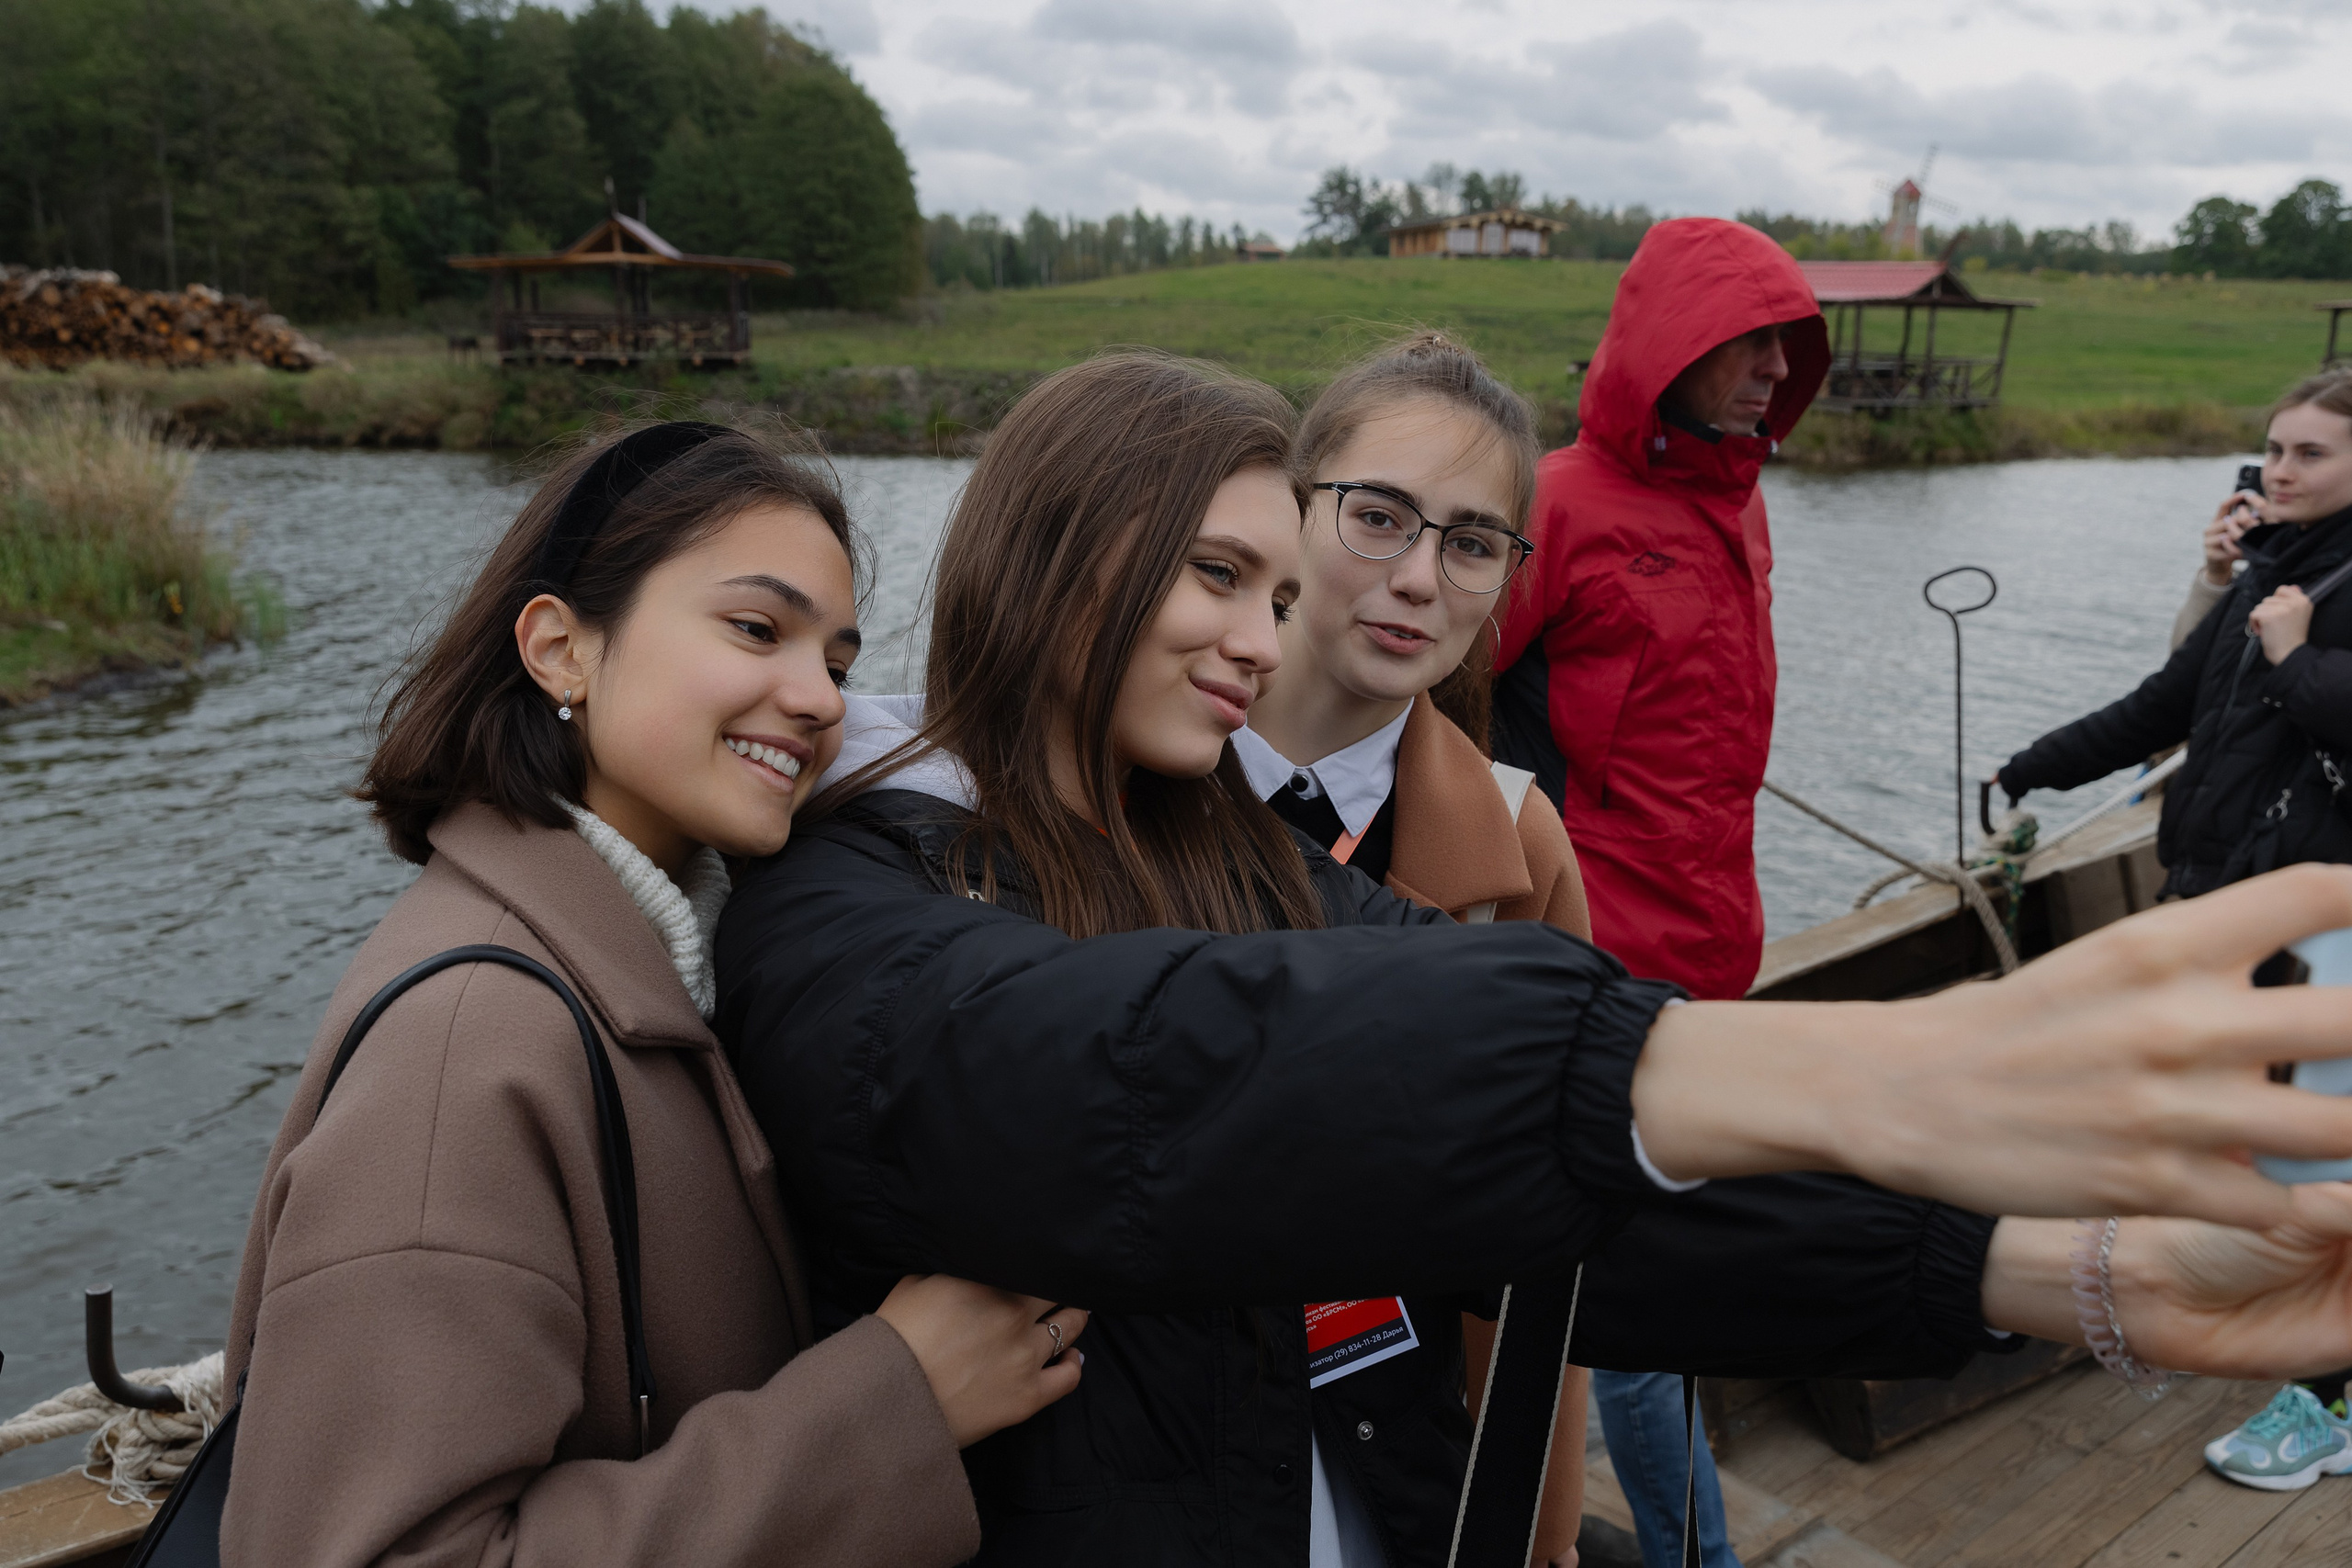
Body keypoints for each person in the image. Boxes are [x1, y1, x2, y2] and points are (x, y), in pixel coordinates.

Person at [717, 353, 2352, 1568]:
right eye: (1218, 574)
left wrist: (2074, 1274)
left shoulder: (1234, 858)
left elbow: (1538, 1180)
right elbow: (1147, 1064)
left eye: (1276, 591)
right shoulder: (844, 890)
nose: (1259, 637)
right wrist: (1895, 1065)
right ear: (1052, 551)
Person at [220, 422, 1087, 1566]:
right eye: (755, 629)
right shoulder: (470, 1049)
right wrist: (896, 1399)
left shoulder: (663, 962)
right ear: (558, 649)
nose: (822, 699)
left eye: (835, 659)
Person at [1487, 215, 1832, 1566]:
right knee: (1636, 1298)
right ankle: (1701, 1556)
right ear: (1663, 350)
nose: (1769, 370)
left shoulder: (1737, 504)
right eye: (1742, 342)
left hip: (1714, 954)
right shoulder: (1556, 502)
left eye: (1785, 347)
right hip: (1600, 962)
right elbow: (1449, 707)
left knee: (1665, 1283)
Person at [1238, 333, 1592, 1567]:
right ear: (1291, 506)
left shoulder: (1516, 842)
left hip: (1400, 1456)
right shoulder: (1114, 781)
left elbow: (1541, 1247)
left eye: (1473, 542)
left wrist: (1538, 1535)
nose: (1420, 577)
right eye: (1379, 517)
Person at [1993, 371, 2352, 1492]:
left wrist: (2295, 657)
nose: (2276, 471)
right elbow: (2162, 709)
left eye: (2308, 455)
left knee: (2323, 1159)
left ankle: (2328, 1402)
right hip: (2220, 900)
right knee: (2164, 1104)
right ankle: (2114, 1287)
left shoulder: (2304, 604)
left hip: (2323, 925)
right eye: (2271, 450)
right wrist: (2030, 765)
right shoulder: (2274, 574)